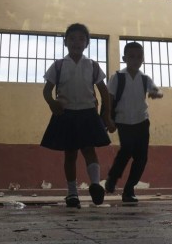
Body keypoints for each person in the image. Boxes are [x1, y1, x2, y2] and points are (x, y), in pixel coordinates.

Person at [41, 23, 116, 208]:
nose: (77, 42)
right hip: (65, 114)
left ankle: (96, 186)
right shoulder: (58, 66)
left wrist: (106, 115)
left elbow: (104, 92)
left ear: (87, 44)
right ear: (65, 42)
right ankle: (72, 193)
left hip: (88, 113)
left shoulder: (92, 65)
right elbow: (46, 91)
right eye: (72, 38)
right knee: (70, 154)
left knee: (89, 150)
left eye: (81, 38)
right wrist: (52, 103)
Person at [104, 41, 163, 203]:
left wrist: (157, 94)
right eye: (132, 56)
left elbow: (156, 90)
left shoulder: (145, 79)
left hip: (142, 121)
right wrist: (108, 118)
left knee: (141, 157)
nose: (135, 60)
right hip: (123, 120)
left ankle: (129, 189)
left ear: (142, 59)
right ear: (125, 58)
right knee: (127, 150)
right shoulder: (117, 77)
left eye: (139, 57)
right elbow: (109, 99)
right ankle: (113, 177)